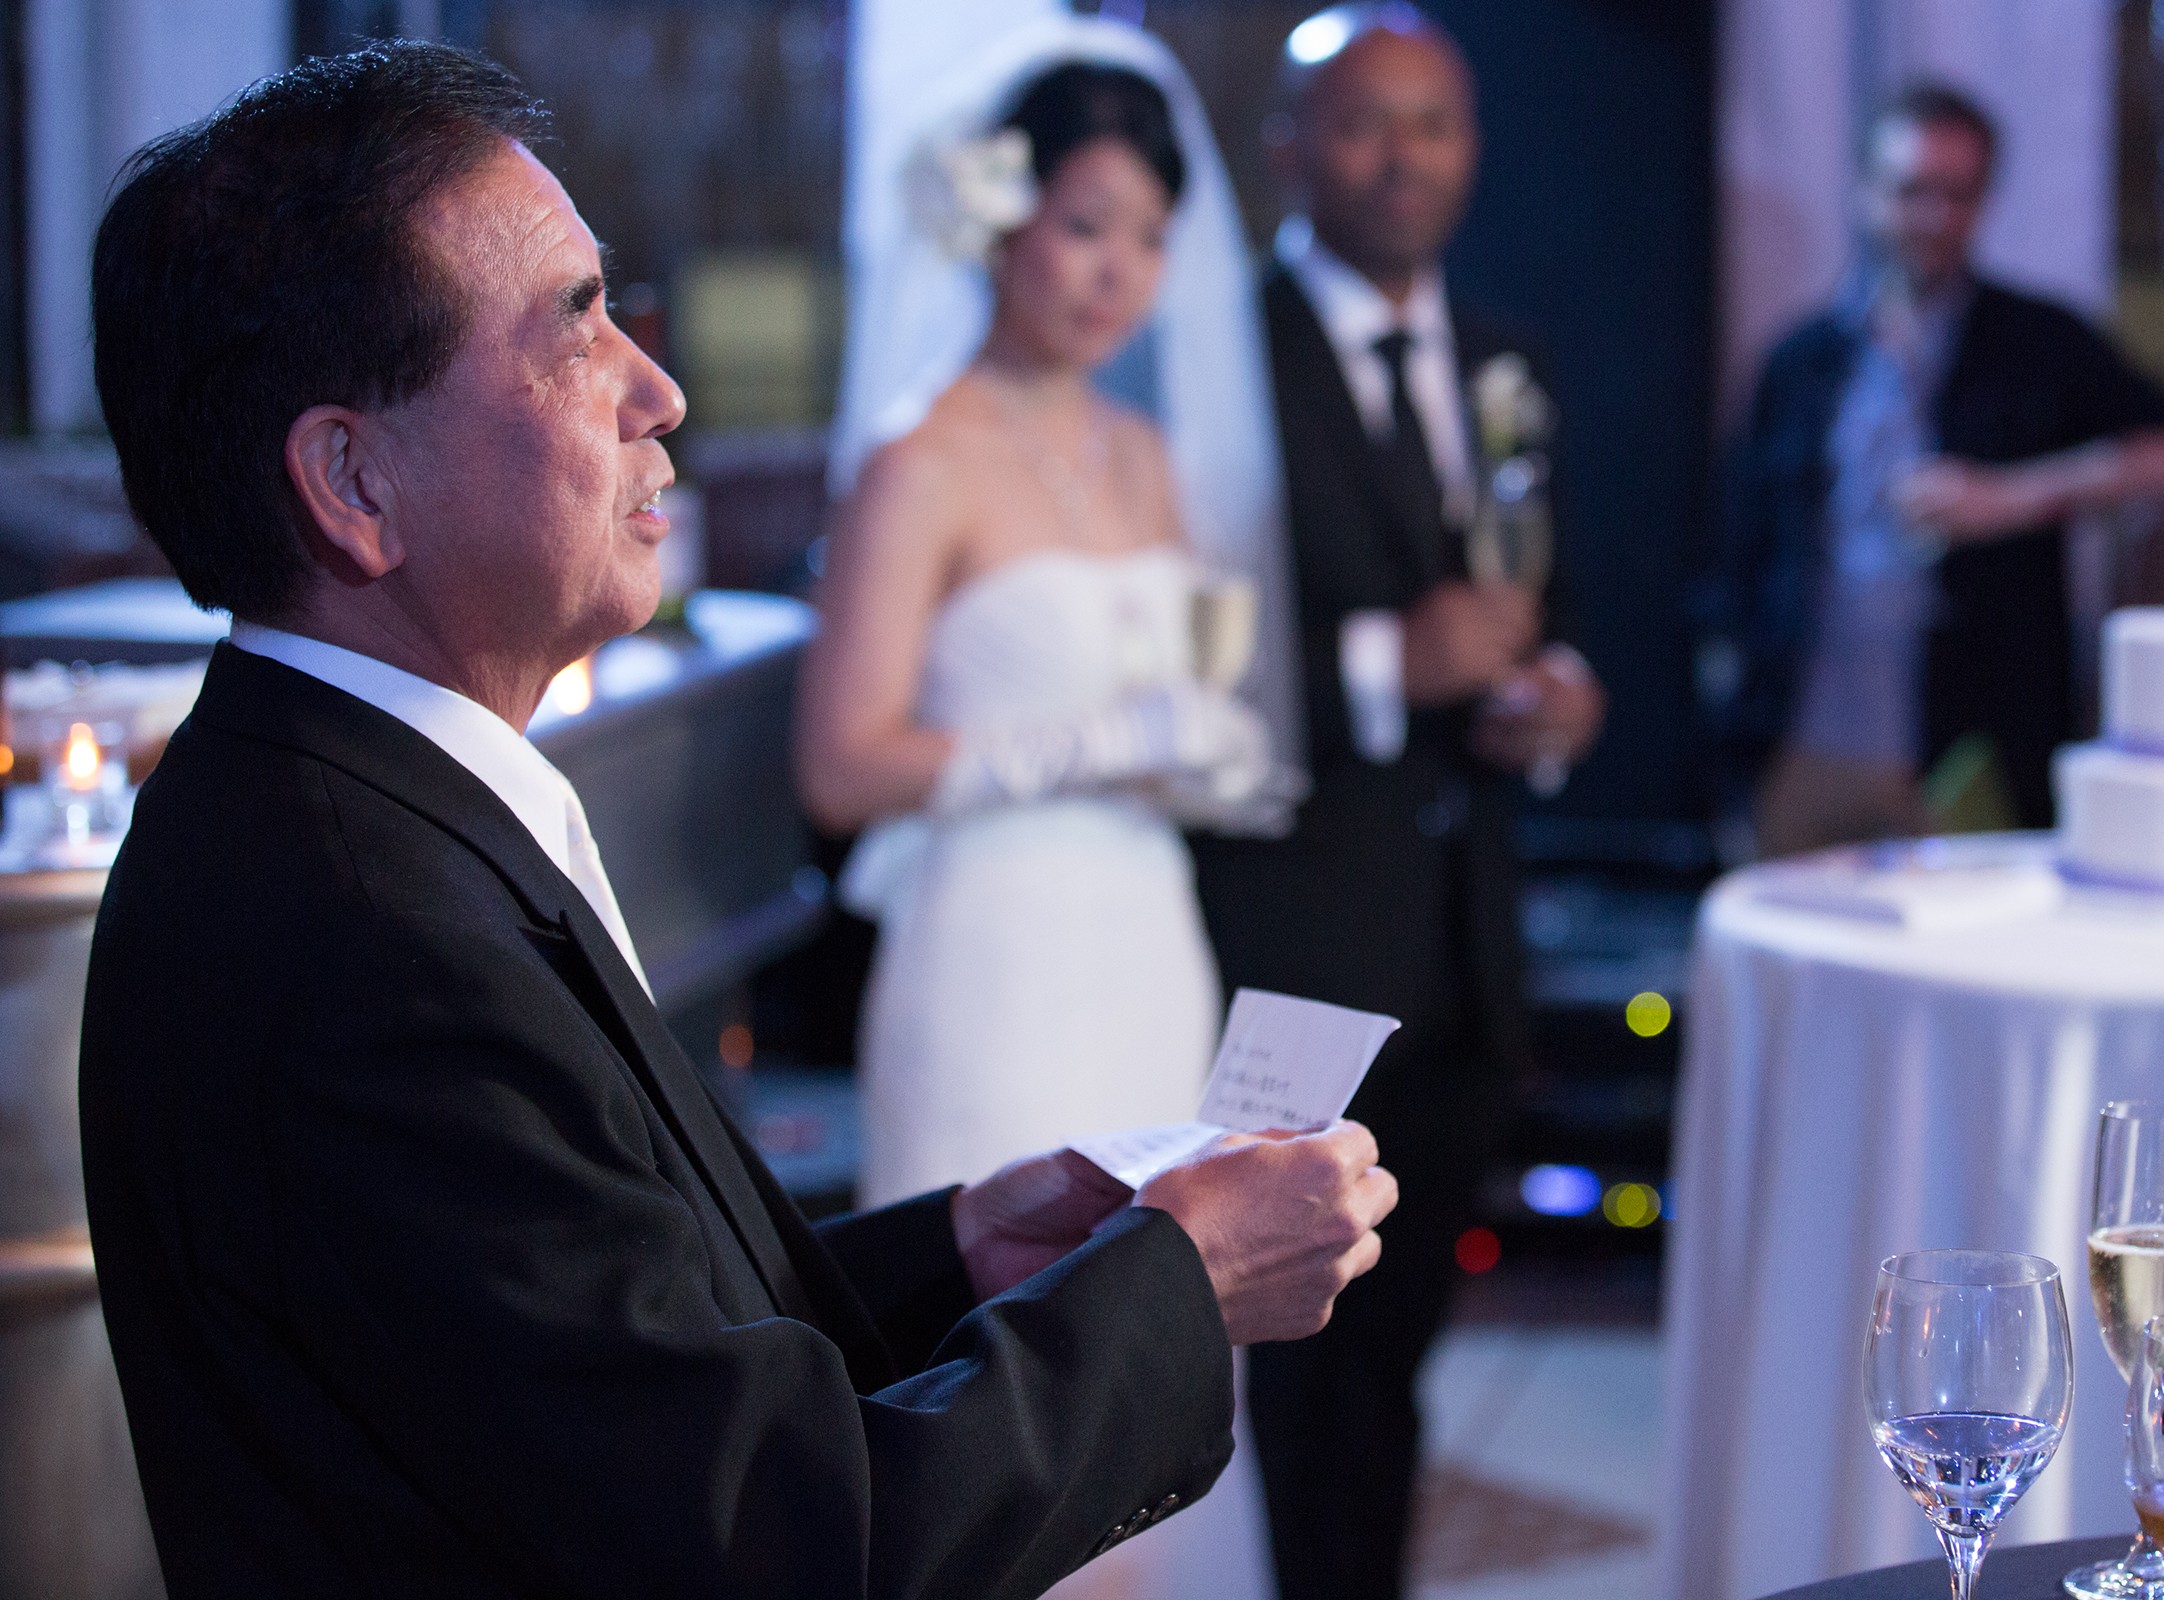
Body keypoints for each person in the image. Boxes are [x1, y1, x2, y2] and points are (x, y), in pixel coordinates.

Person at [78, 42, 1396, 1599]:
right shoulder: (368, 940)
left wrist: (965, 1251)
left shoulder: (365, 800)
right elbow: (777, 1540)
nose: (661, 387)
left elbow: (614, 1358)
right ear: (353, 482)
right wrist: (1181, 1289)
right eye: (575, 336)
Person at [1187, 10, 1604, 1600]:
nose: (1403, 156)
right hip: (1295, 931)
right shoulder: (1221, 352)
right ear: (1291, 142)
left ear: (1473, 147)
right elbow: (1180, 635)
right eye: (1365, 123)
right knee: (1297, 1365)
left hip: (1463, 943)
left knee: (1404, 1355)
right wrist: (1386, 662)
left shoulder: (1509, 357)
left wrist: (1551, 697)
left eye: (1433, 124)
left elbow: (1533, 600)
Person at [801, 58, 1268, 1211]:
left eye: (1152, 238)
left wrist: (1206, 756)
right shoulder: (918, 465)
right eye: (1087, 226)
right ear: (1004, 222)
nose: (1121, 273)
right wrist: (1084, 747)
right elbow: (841, 767)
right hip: (992, 960)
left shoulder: (1143, 454)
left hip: (1152, 940)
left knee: (1162, 1304)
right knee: (1002, 1328)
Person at [1706, 82, 2164, 860]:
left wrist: (2014, 498)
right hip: (1802, 746)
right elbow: (1737, 556)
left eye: (1958, 195)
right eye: (1911, 192)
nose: (1933, 218)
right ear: (1866, 191)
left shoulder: (2037, 342)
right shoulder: (1803, 361)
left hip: (1965, 755)